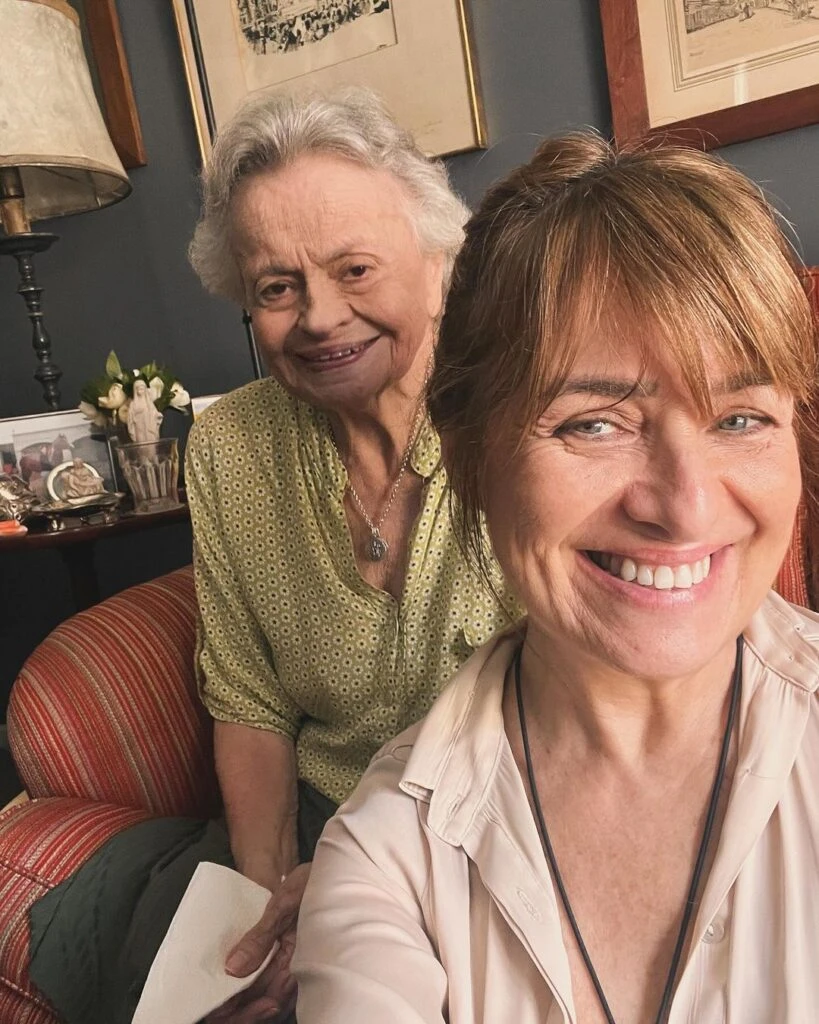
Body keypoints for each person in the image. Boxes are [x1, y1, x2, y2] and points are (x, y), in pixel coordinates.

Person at [292, 133, 819, 1022]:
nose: (684, 506)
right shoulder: (390, 858)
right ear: (470, 461)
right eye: (593, 424)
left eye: (738, 418)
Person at [126, 379, 163, 443]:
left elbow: (153, 412)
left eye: (142, 389)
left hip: (149, 428)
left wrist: (157, 415)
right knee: (141, 444)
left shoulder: (149, 403)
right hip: (139, 428)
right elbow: (130, 417)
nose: (140, 391)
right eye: (138, 389)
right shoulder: (133, 404)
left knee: (151, 445)